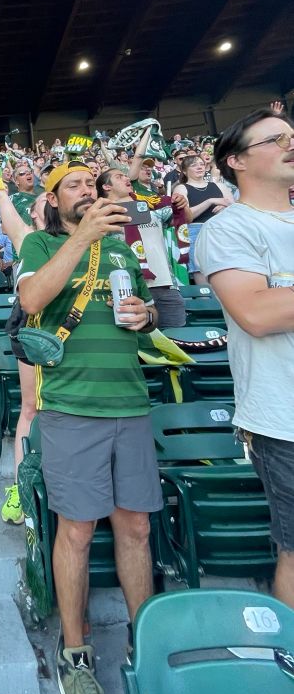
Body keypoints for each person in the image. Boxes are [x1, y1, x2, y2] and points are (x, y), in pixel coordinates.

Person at [18, 162, 160, 694]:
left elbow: (154, 318)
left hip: (130, 404)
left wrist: (146, 315)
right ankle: (75, 656)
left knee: (136, 529)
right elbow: (31, 299)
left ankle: (145, 642)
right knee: (75, 531)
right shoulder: (42, 242)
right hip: (71, 408)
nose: (88, 191)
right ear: (53, 200)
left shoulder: (124, 249)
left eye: (94, 185)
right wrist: (80, 237)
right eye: (74, 184)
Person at [196, 107, 294, 608]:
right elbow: (256, 312)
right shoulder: (229, 229)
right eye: (276, 139)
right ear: (236, 160)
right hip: (284, 419)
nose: (290, 143)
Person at [0, 187, 48, 525]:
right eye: (42, 202)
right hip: (31, 323)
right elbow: (5, 204)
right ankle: (19, 485)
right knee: (31, 406)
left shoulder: (83, 236)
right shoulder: (27, 236)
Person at [97, 166, 190, 327]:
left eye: (126, 176)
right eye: (119, 176)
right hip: (127, 288)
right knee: (140, 346)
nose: (126, 179)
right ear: (106, 186)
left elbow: (184, 219)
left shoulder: (151, 206)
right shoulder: (100, 215)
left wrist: (182, 205)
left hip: (165, 285)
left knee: (178, 341)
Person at [173, 155, 232, 284]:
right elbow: (186, 216)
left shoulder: (219, 186)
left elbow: (234, 207)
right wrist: (210, 201)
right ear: (184, 171)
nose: (199, 167)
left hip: (221, 231)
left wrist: (224, 207)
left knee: (226, 269)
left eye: (201, 164)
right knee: (201, 271)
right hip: (196, 230)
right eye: (194, 165)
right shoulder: (181, 188)